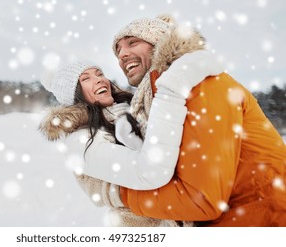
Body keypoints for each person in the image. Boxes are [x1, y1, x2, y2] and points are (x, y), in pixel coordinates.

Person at [108, 14, 286, 226]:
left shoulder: (202, 83)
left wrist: (120, 194)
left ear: (159, 43)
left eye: (132, 42)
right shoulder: (162, 101)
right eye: (118, 50)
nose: (122, 54)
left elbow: (202, 200)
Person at [39, 59, 222, 226]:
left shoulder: (133, 109)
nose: (99, 80)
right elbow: (148, 171)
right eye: (86, 79)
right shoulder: (81, 140)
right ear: (74, 95)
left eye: (99, 73)